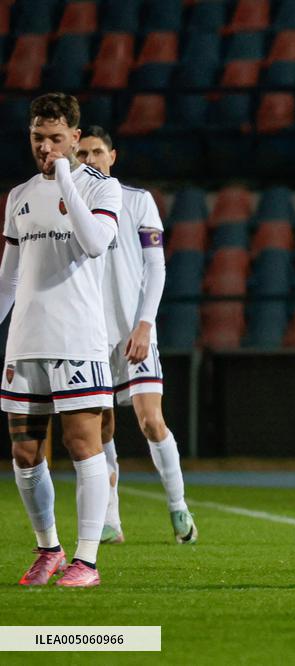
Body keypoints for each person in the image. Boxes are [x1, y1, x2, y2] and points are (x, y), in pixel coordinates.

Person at [0, 93, 121, 587]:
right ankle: (48, 547)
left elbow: (94, 245)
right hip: (26, 339)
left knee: (81, 445)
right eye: (37, 138)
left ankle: (87, 561)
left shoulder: (101, 189)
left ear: (75, 137)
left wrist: (66, 177)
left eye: (55, 138)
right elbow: (9, 278)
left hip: (77, 339)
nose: (45, 148)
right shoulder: (19, 195)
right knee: (25, 452)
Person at [75, 126, 197, 545]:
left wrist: (145, 323)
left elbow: (156, 268)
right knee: (101, 429)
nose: (90, 159)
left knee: (151, 421)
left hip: (132, 332)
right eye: (83, 153)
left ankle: (179, 507)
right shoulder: (70, 208)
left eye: (97, 152)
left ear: (113, 156)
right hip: (89, 335)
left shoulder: (137, 201)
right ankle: (111, 520)